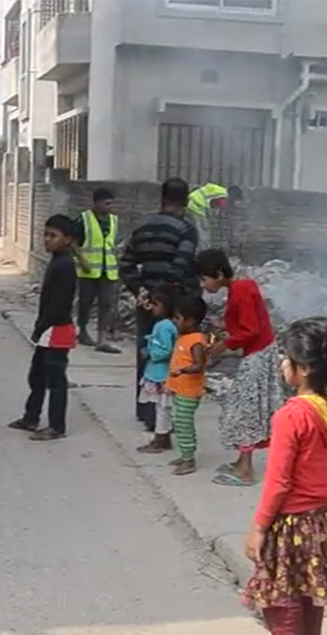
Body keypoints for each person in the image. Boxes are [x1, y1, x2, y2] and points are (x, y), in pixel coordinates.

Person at [242, 317, 327, 635]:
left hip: (290, 527)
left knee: (282, 611)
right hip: (322, 521)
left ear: (304, 368)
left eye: (286, 356)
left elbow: (278, 481)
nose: (282, 363)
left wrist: (259, 528)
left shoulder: (291, 416)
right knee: (310, 601)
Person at [118, 178, 199, 436]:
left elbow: (126, 265)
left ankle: (145, 410)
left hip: (146, 304)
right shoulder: (186, 229)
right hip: (173, 308)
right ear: (185, 200)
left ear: (162, 199)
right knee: (173, 357)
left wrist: (142, 292)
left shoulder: (141, 227)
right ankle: (162, 419)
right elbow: (180, 267)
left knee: (148, 352)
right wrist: (162, 298)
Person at [198, 248, 283, 487]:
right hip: (260, 351)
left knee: (244, 409)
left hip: (258, 354)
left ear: (217, 273)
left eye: (204, 279)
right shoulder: (241, 288)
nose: (203, 285)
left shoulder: (241, 291)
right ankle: (241, 460)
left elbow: (250, 330)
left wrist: (224, 345)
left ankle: (246, 470)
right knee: (246, 406)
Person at [8, 214, 79, 441]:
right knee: (37, 376)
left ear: (67, 239)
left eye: (53, 236)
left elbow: (58, 304)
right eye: (46, 235)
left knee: (55, 380)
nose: (47, 240)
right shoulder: (57, 262)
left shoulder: (65, 266)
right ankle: (31, 417)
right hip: (48, 329)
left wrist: (43, 327)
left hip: (57, 330)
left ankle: (57, 426)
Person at [164, 296, 208, 475]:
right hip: (180, 389)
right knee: (180, 422)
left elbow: (199, 365)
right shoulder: (185, 336)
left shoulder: (196, 341)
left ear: (189, 320)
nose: (174, 322)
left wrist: (182, 371)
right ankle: (185, 455)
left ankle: (189, 460)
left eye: (177, 318)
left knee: (184, 424)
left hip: (189, 391)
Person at [75, 188, 121, 354]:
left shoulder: (114, 220)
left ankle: (102, 339)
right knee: (85, 303)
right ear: (96, 203)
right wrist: (81, 259)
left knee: (106, 304)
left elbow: (112, 244)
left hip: (108, 271)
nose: (110, 206)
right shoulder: (84, 219)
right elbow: (73, 242)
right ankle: (82, 331)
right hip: (88, 271)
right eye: (106, 203)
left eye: (111, 203)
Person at [135, 285, 178, 454]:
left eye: (154, 304)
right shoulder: (168, 325)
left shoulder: (163, 326)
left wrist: (149, 352)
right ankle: (163, 437)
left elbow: (166, 350)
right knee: (163, 408)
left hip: (160, 373)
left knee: (162, 408)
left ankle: (160, 439)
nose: (151, 308)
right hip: (161, 373)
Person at [185, 183, 228, 249]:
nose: (217, 207)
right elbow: (202, 239)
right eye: (218, 203)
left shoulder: (190, 209)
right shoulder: (196, 217)